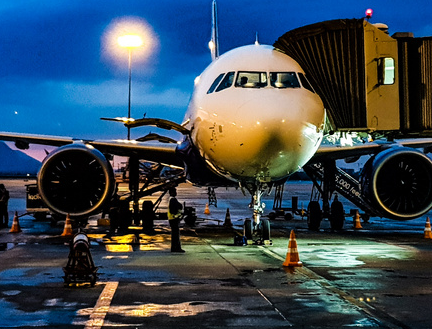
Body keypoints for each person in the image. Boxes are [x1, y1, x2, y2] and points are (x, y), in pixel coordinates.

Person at [167, 187, 185, 253]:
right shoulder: (173, 200)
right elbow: (173, 210)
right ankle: (176, 248)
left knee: (175, 234)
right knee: (176, 235)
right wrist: (178, 215)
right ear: (172, 192)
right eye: (175, 191)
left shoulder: (171, 199)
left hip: (172, 219)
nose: (176, 193)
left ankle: (175, 247)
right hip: (173, 219)